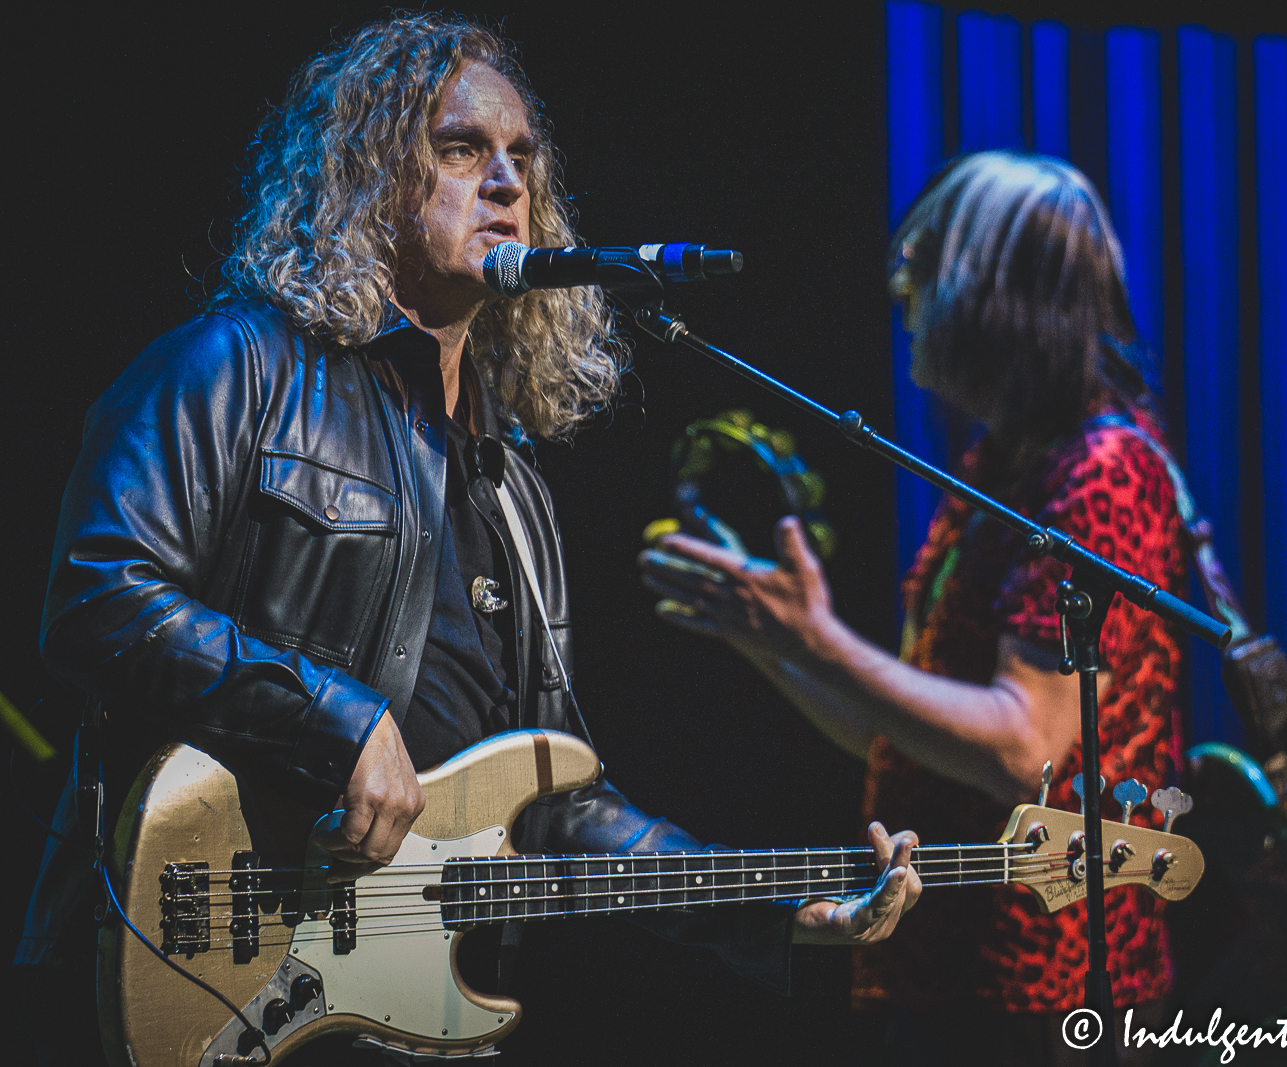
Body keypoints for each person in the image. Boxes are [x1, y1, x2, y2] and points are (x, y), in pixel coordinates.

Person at [13, 14, 920, 1065]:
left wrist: (772, 914)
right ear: (364, 174)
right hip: (175, 961)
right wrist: (336, 718)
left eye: (522, 160)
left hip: (393, 1012)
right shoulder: (233, 368)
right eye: (460, 148)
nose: (505, 183)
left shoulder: (514, 486)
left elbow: (557, 802)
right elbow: (97, 595)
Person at [640, 152, 1185, 1065]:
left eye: (923, 271)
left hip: (1046, 988)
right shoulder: (993, 470)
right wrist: (772, 640)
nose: (901, 293)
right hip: (954, 970)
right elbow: (899, 729)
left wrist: (816, 637)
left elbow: (1023, 747)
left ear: (996, 296)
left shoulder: (1101, 469)